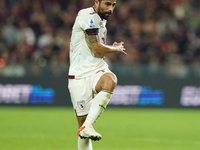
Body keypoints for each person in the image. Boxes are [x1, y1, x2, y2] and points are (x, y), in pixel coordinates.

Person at [68, 0, 126, 149]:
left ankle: (89, 125)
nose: (110, 9)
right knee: (82, 131)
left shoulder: (100, 19)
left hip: (97, 69)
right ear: (96, 2)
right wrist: (115, 49)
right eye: (107, 4)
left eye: (113, 5)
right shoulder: (87, 16)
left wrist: (109, 47)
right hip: (79, 75)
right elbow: (97, 48)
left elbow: (98, 46)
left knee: (110, 80)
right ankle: (86, 126)